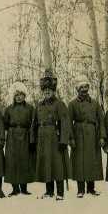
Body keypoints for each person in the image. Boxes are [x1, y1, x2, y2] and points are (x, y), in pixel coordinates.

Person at [32, 69, 71, 200]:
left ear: (53, 91)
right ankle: (49, 191)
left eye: (49, 90)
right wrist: (33, 140)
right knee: (46, 164)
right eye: (45, 90)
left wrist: (64, 141)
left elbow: (65, 123)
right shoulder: (39, 105)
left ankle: (60, 192)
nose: (47, 92)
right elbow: (34, 124)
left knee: (57, 165)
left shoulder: (59, 104)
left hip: (55, 138)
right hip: (42, 139)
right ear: (42, 91)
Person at [68, 77, 105, 198]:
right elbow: (68, 122)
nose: (84, 90)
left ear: (88, 88)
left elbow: (101, 120)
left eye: (86, 87)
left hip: (92, 135)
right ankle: (80, 189)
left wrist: (102, 137)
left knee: (91, 161)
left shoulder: (95, 103)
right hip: (78, 134)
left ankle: (91, 188)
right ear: (78, 89)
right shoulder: (72, 104)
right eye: (81, 87)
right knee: (79, 162)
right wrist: (71, 138)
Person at [3, 82, 35, 196]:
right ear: (13, 96)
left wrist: (32, 140)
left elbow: (33, 124)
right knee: (12, 161)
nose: (19, 97)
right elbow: (4, 124)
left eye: (21, 94)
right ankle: (15, 188)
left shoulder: (30, 108)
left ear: (24, 95)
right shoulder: (8, 109)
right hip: (12, 137)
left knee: (24, 160)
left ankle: (24, 188)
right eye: (16, 95)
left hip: (25, 136)